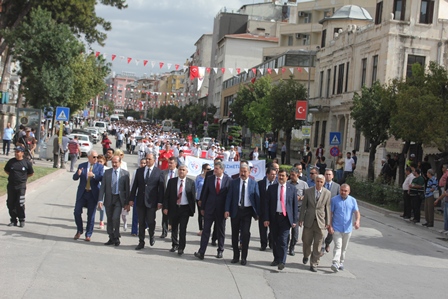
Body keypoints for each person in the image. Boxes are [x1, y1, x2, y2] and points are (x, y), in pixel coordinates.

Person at [225, 162, 260, 265]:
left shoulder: (254, 183)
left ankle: (244, 257)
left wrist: (258, 213)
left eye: (245, 171)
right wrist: (227, 210)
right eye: (241, 171)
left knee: (245, 234)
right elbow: (229, 197)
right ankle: (235, 256)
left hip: (247, 212)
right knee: (234, 234)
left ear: (249, 173)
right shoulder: (234, 183)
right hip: (236, 210)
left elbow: (257, 199)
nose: (243, 173)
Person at [194, 161, 231, 260]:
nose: (214, 170)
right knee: (206, 230)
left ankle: (220, 250)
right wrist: (202, 208)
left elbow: (229, 197)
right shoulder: (210, 179)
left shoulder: (228, 180)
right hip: (209, 209)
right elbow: (205, 193)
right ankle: (201, 252)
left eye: (216, 169)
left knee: (220, 231)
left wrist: (227, 210)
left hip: (221, 210)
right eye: (214, 168)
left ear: (222, 170)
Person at [128, 153, 164, 250]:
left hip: (152, 202)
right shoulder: (139, 171)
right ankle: (141, 241)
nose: (147, 161)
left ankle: (151, 234)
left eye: (149, 159)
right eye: (146, 159)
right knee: (141, 222)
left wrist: (160, 202)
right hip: (140, 200)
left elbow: (161, 189)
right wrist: (131, 199)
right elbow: (134, 186)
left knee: (151, 221)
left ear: (154, 160)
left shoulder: (159, 172)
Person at [263, 169, 298, 271]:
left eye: (283, 176)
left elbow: (294, 205)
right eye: (280, 176)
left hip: (285, 218)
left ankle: (282, 261)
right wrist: (266, 218)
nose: (281, 178)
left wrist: (294, 220)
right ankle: (276, 258)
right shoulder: (271, 188)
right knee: (274, 239)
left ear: (287, 177)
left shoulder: (292, 189)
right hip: (274, 217)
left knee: (283, 240)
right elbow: (267, 205)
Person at [299, 174, 331, 272]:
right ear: (315, 181)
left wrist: (328, 222)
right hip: (309, 220)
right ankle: (306, 255)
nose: (319, 183)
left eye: (321, 182)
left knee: (318, 244)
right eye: (317, 181)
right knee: (306, 241)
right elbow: (304, 206)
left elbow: (327, 208)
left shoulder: (327, 193)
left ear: (323, 183)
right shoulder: (308, 191)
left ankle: (314, 263)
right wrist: (301, 219)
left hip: (320, 222)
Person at [163, 165, 196, 255]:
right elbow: (167, 196)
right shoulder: (172, 181)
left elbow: (193, 198)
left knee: (183, 229)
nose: (181, 171)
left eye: (183, 170)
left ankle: (181, 247)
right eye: (180, 170)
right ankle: (174, 244)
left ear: (187, 172)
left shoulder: (191, 182)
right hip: (174, 207)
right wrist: (165, 207)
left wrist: (192, 210)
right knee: (174, 228)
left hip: (185, 208)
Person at [98, 156, 130, 246]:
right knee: (109, 219)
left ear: (120, 163)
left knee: (115, 218)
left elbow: (127, 190)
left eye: (116, 163)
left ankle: (116, 237)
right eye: (113, 163)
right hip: (109, 198)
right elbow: (102, 187)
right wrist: (100, 200)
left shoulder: (125, 174)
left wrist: (127, 203)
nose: (114, 164)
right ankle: (111, 237)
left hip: (119, 199)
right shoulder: (107, 172)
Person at [72, 150, 104, 241]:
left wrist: (94, 175)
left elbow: (102, 178)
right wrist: (77, 174)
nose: (96, 159)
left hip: (92, 193)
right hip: (82, 193)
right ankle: (79, 230)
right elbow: (74, 178)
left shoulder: (100, 167)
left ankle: (88, 234)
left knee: (91, 215)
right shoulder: (82, 166)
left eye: (97, 157)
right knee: (77, 212)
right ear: (89, 157)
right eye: (94, 157)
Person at [329, 184, 360, 272]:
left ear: (349, 192)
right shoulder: (334, 200)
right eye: (342, 190)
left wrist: (357, 221)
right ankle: (335, 262)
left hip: (347, 229)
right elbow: (330, 214)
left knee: (344, 247)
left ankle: (341, 262)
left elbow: (357, 212)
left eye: (345, 191)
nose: (343, 192)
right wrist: (330, 225)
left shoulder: (353, 200)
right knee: (338, 246)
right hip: (337, 228)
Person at [5, 146, 34, 227]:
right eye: (15, 152)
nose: (16, 153)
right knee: (10, 203)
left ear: (22, 153)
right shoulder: (11, 162)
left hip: (21, 186)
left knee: (20, 203)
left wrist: (23, 179)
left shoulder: (26, 162)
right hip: (11, 185)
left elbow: (31, 173)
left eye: (18, 152)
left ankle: (21, 219)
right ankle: (13, 220)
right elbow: (6, 170)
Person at [287, 168, 308, 256]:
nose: (291, 177)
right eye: (290, 175)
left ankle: (292, 247)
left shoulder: (303, 184)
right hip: (288, 209)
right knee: (286, 230)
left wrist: (301, 198)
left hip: (298, 209)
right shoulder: (287, 183)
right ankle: (285, 245)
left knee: (295, 231)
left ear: (298, 175)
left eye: (293, 175)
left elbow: (307, 196)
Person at [321, 169, 340, 255]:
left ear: (332, 176)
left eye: (329, 174)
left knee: (331, 231)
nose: (328, 176)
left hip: (332, 212)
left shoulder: (337, 186)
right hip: (322, 211)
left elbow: (339, 199)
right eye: (326, 174)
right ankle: (321, 247)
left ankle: (327, 243)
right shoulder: (321, 184)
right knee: (321, 230)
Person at [258, 167, 277, 251]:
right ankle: (263, 244)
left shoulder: (277, 184)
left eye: (275, 174)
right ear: (267, 174)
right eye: (272, 174)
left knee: (273, 228)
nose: (274, 176)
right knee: (262, 228)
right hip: (262, 209)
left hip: (273, 210)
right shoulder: (260, 184)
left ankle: (272, 243)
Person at [161, 157, 178, 238]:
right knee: (165, 215)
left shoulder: (179, 172)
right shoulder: (164, 172)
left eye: (171, 163)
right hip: (166, 197)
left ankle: (173, 232)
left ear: (176, 164)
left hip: (176, 198)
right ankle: (164, 231)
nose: (170, 165)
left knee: (174, 216)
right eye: (169, 163)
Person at [195, 163, 210, 236]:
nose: (209, 170)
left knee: (207, 215)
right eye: (207, 169)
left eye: (210, 169)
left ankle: (206, 229)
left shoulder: (211, 177)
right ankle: (201, 229)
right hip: (199, 198)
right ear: (203, 169)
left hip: (208, 199)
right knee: (201, 214)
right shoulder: (199, 177)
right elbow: (195, 188)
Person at [96, 155, 108, 229]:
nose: (99, 163)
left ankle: (102, 220)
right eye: (98, 161)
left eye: (101, 161)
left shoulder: (107, 169)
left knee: (102, 205)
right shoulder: (95, 168)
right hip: (96, 188)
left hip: (104, 189)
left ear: (104, 162)